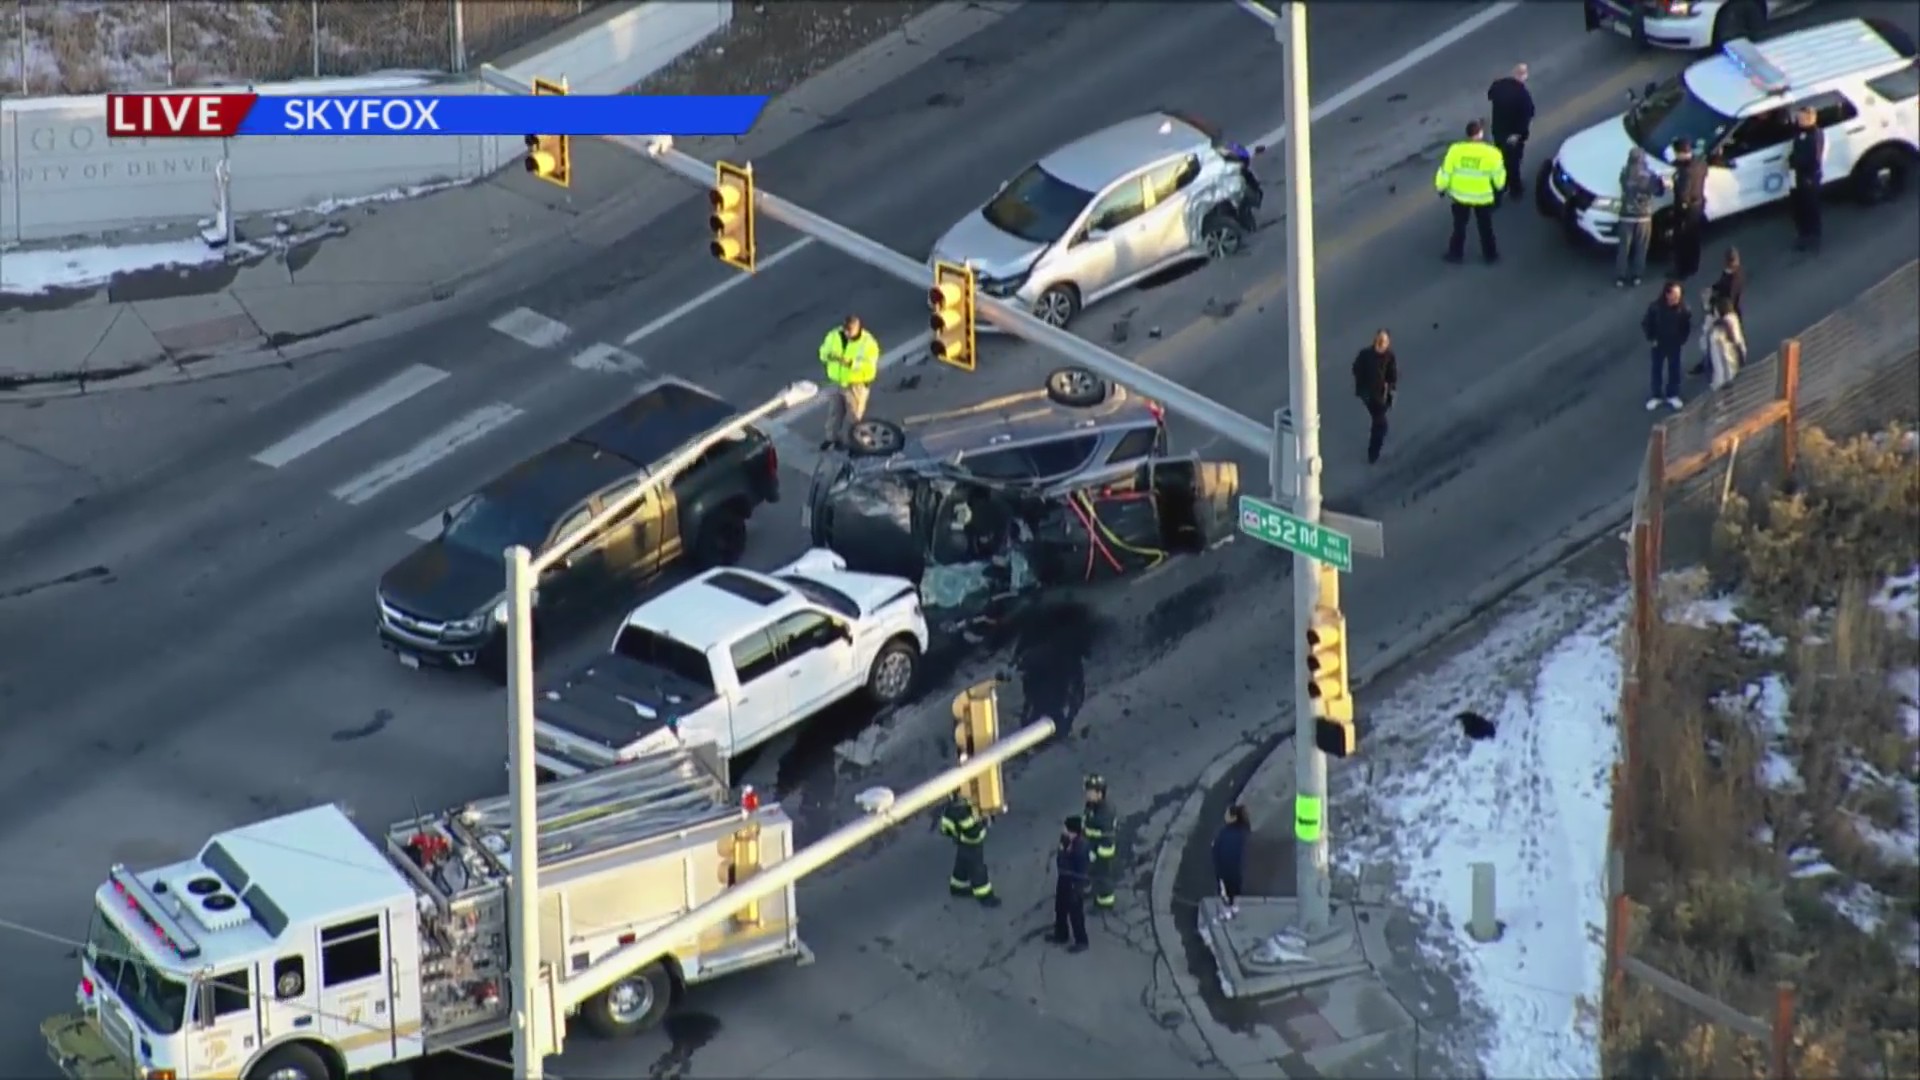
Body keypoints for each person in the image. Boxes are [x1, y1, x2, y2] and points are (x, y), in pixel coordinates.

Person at [1435, 120, 1506, 264]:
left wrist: (1440, 188)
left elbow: (1445, 173)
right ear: (1481, 134)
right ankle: (1490, 255)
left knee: (1459, 226)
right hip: (1482, 197)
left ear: (1467, 135)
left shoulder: (1455, 150)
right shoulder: (1492, 153)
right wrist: (1499, 190)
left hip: (1460, 196)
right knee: (1485, 227)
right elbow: (1499, 179)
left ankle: (1455, 254)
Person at [818, 314, 880, 449]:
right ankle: (832, 439)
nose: (846, 333)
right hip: (837, 382)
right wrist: (828, 356)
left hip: (855, 385)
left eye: (850, 330)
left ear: (858, 328)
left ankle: (855, 444)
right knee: (834, 413)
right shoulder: (834, 335)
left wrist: (850, 363)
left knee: (854, 418)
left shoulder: (868, 343)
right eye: (845, 329)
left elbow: (870, 368)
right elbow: (822, 351)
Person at [1615, 146, 1666, 288]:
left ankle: (1620, 277)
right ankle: (1637, 276)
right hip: (1643, 216)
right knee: (1641, 248)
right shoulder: (1649, 175)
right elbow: (1659, 192)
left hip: (1626, 215)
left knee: (1623, 248)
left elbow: (1623, 184)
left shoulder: (1625, 173)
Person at [938, 792, 999, 907]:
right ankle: (985, 897)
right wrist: (984, 820)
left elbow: (945, 829)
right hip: (972, 845)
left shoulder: (949, 811)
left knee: (962, 864)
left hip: (962, 844)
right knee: (978, 870)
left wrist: (957, 836)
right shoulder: (964, 813)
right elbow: (973, 831)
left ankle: (957, 887)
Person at [1692, 249, 1745, 376]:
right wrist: (1713, 289)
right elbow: (1721, 285)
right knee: (1713, 338)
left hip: (1727, 312)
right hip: (1724, 311)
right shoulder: (1729, 273)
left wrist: (1713, 299)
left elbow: (1729, 296)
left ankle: (1735, 363)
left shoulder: (1735, 278)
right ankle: (1711, 362)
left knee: (1727, 338)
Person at [1641, 280, 1693, 411]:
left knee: (1674, 368)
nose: (1677, 298)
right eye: (1674, 295)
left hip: (1674, 344)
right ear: (1667, 294)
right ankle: (1656, 395)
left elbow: (1686, 327)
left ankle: (1672, 394)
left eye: (1679, 295)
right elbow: (1646, 323)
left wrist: (1681, 340)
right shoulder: (1655, 307)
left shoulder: (1684, 309)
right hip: (1658, 343)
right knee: (1656, 369)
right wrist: (1651, 338)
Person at [1486, 63, 1535, 198]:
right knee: (1513, 163)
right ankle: (1515, 189)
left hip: (1498, 131)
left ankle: (1501, 183)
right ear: (1524, 77)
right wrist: (1520, 135)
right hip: (1512, 137)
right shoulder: (1523, 96)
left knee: (1501, 158)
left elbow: (1490, 95)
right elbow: (1526, 118)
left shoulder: (1500, 85)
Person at [1352, 330, 1399, 464]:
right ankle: (1373, 454)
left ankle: (1373, 452)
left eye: (1384, 342)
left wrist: (1390, 392)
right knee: (1381, 424)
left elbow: (1392, 377)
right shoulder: (1366, 355)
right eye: (1379, 341)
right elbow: (1356, 369)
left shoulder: (1389, 357)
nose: (1381, 344)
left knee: (1378, 422)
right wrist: (1362, 388)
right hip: (1370, 395)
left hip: (1381, 395)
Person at [1668, 140, 1709, 279]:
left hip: (1687, 209)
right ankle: (1693, 266)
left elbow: (1683, 193)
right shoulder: (1700, 163)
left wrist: (1673, 184)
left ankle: (1682, 271)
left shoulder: (1685, 172)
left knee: (1682, 239)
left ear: (1680, 153)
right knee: (1694, 238)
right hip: (1699, 204)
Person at [1787, 106, 1825, 252]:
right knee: (1798, 206)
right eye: (1798, 117)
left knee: (1810, 207)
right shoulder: (1800, 132)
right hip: (1797, 175)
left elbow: (1815, 159)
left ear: (1810, 118)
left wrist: (1808, 176)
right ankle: (1803, 233)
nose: (1799, 120)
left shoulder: (1815, 135)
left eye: (1802, 118)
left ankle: (1813, 237)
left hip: (1808, 177)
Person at [1052, 816, 1092, 952]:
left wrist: (1062, 852)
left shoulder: (1081, 847)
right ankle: (1061, 934)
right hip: (1064, 879)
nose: (1063, 830)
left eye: (1065, 828)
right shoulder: (1067, 840)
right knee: (1060, 908)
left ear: (1072, 831)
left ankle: (1081, 941)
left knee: (1075, 914)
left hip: (1074, 883)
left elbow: (1073, 867)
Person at [1081, 774, 1119, 910]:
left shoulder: (1105, 812)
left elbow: (1104, 836)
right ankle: (1088, 888)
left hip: (1103, 850)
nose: (1086, 794)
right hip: (1093, 845)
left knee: (1103, 876)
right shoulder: (1093, 805)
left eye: (1090, 792)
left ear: (1099, 794)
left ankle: (1105, 902)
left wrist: (1096, 853)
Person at [1212, 804, 1252, 920]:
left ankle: (1227, 912)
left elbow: (1218, 850)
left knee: (1225, 891)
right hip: (1237, 868)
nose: (1225, 816)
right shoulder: (1243, 832)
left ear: (1233, 817)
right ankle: (1234, 907)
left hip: (1226, 868)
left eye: (1227, 814)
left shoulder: (1225, 833)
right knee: (1235, 889)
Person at [1701, 293, 1747, 390]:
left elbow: (1707, 345)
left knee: (1726, 388)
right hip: (1729, 365)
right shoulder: (1731, 318)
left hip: (1724, 369)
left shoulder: (1721, 326)